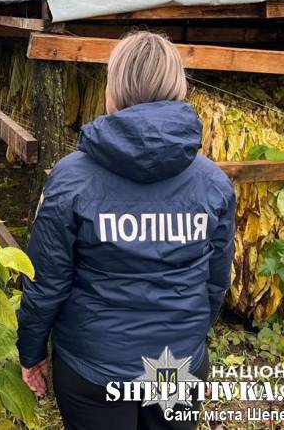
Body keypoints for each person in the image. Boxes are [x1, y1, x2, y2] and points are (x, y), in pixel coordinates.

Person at [17, 31, 236, 430]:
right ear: (177, 86)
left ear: (114, 87)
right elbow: (216, 282)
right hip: (173, 366)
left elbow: (46, 283)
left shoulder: (71, 179)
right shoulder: (213, 183)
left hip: (93, 367)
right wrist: (188, 336)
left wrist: (31, 352)